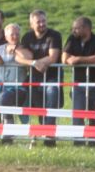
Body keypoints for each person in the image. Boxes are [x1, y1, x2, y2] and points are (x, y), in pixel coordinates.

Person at [20, 9, 63, 147]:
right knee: (38, 107)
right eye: (38, 22)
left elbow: (53, 57)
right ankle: (41, 132)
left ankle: (49, 135)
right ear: (31, 24)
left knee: (51, 95)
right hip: (34, 78)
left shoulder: (54, 35)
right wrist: (34, 63)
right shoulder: (27, 37)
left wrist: (38, 62)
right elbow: (20, 57)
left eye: (44, 21)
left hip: (52, 77)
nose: (42, 24)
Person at [62, 16, 95, 146]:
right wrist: (69, 60)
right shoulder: (72, 39)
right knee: (78, 114)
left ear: (86, 28)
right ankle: (78, 143)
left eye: (76, 28)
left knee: (94, 115)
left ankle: (93, 144)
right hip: (78, 83)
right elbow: (65, 57)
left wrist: (79, 60)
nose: (73, 30)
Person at [0, 23, 33, 137]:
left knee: (3, 100)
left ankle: (9, 133)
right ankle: (4, 132)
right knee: (0, 103)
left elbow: (29, 59)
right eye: (12, 34)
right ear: (6, 37)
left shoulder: (23, 48)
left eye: (17, 34)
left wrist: (15, 49)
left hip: (18, 87)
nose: (15, 36)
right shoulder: (0, 48)